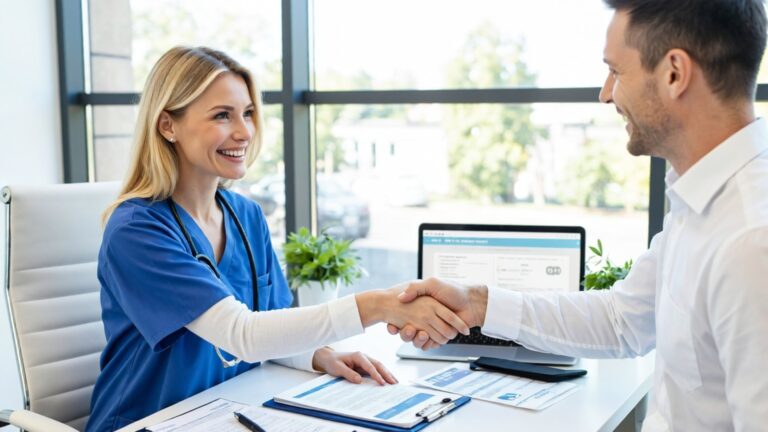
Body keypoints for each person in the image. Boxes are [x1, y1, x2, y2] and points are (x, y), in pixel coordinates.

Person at [388, 0, 768, 430]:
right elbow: (622, 321)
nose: (606, 94)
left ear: (674, 74)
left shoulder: (751, 242)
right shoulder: (700, 203)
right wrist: (477, 304)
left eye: (616, 72)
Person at [86, 46, 469, 432]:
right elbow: (242, 335)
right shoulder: (137, 231)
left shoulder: (246, 215)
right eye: (222, 115)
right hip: (148, 422)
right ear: (168, 125)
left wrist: (316, 356)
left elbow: (267, 327)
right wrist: (379, 305)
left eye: (248, 113)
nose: (244, 132)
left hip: (227, 412)